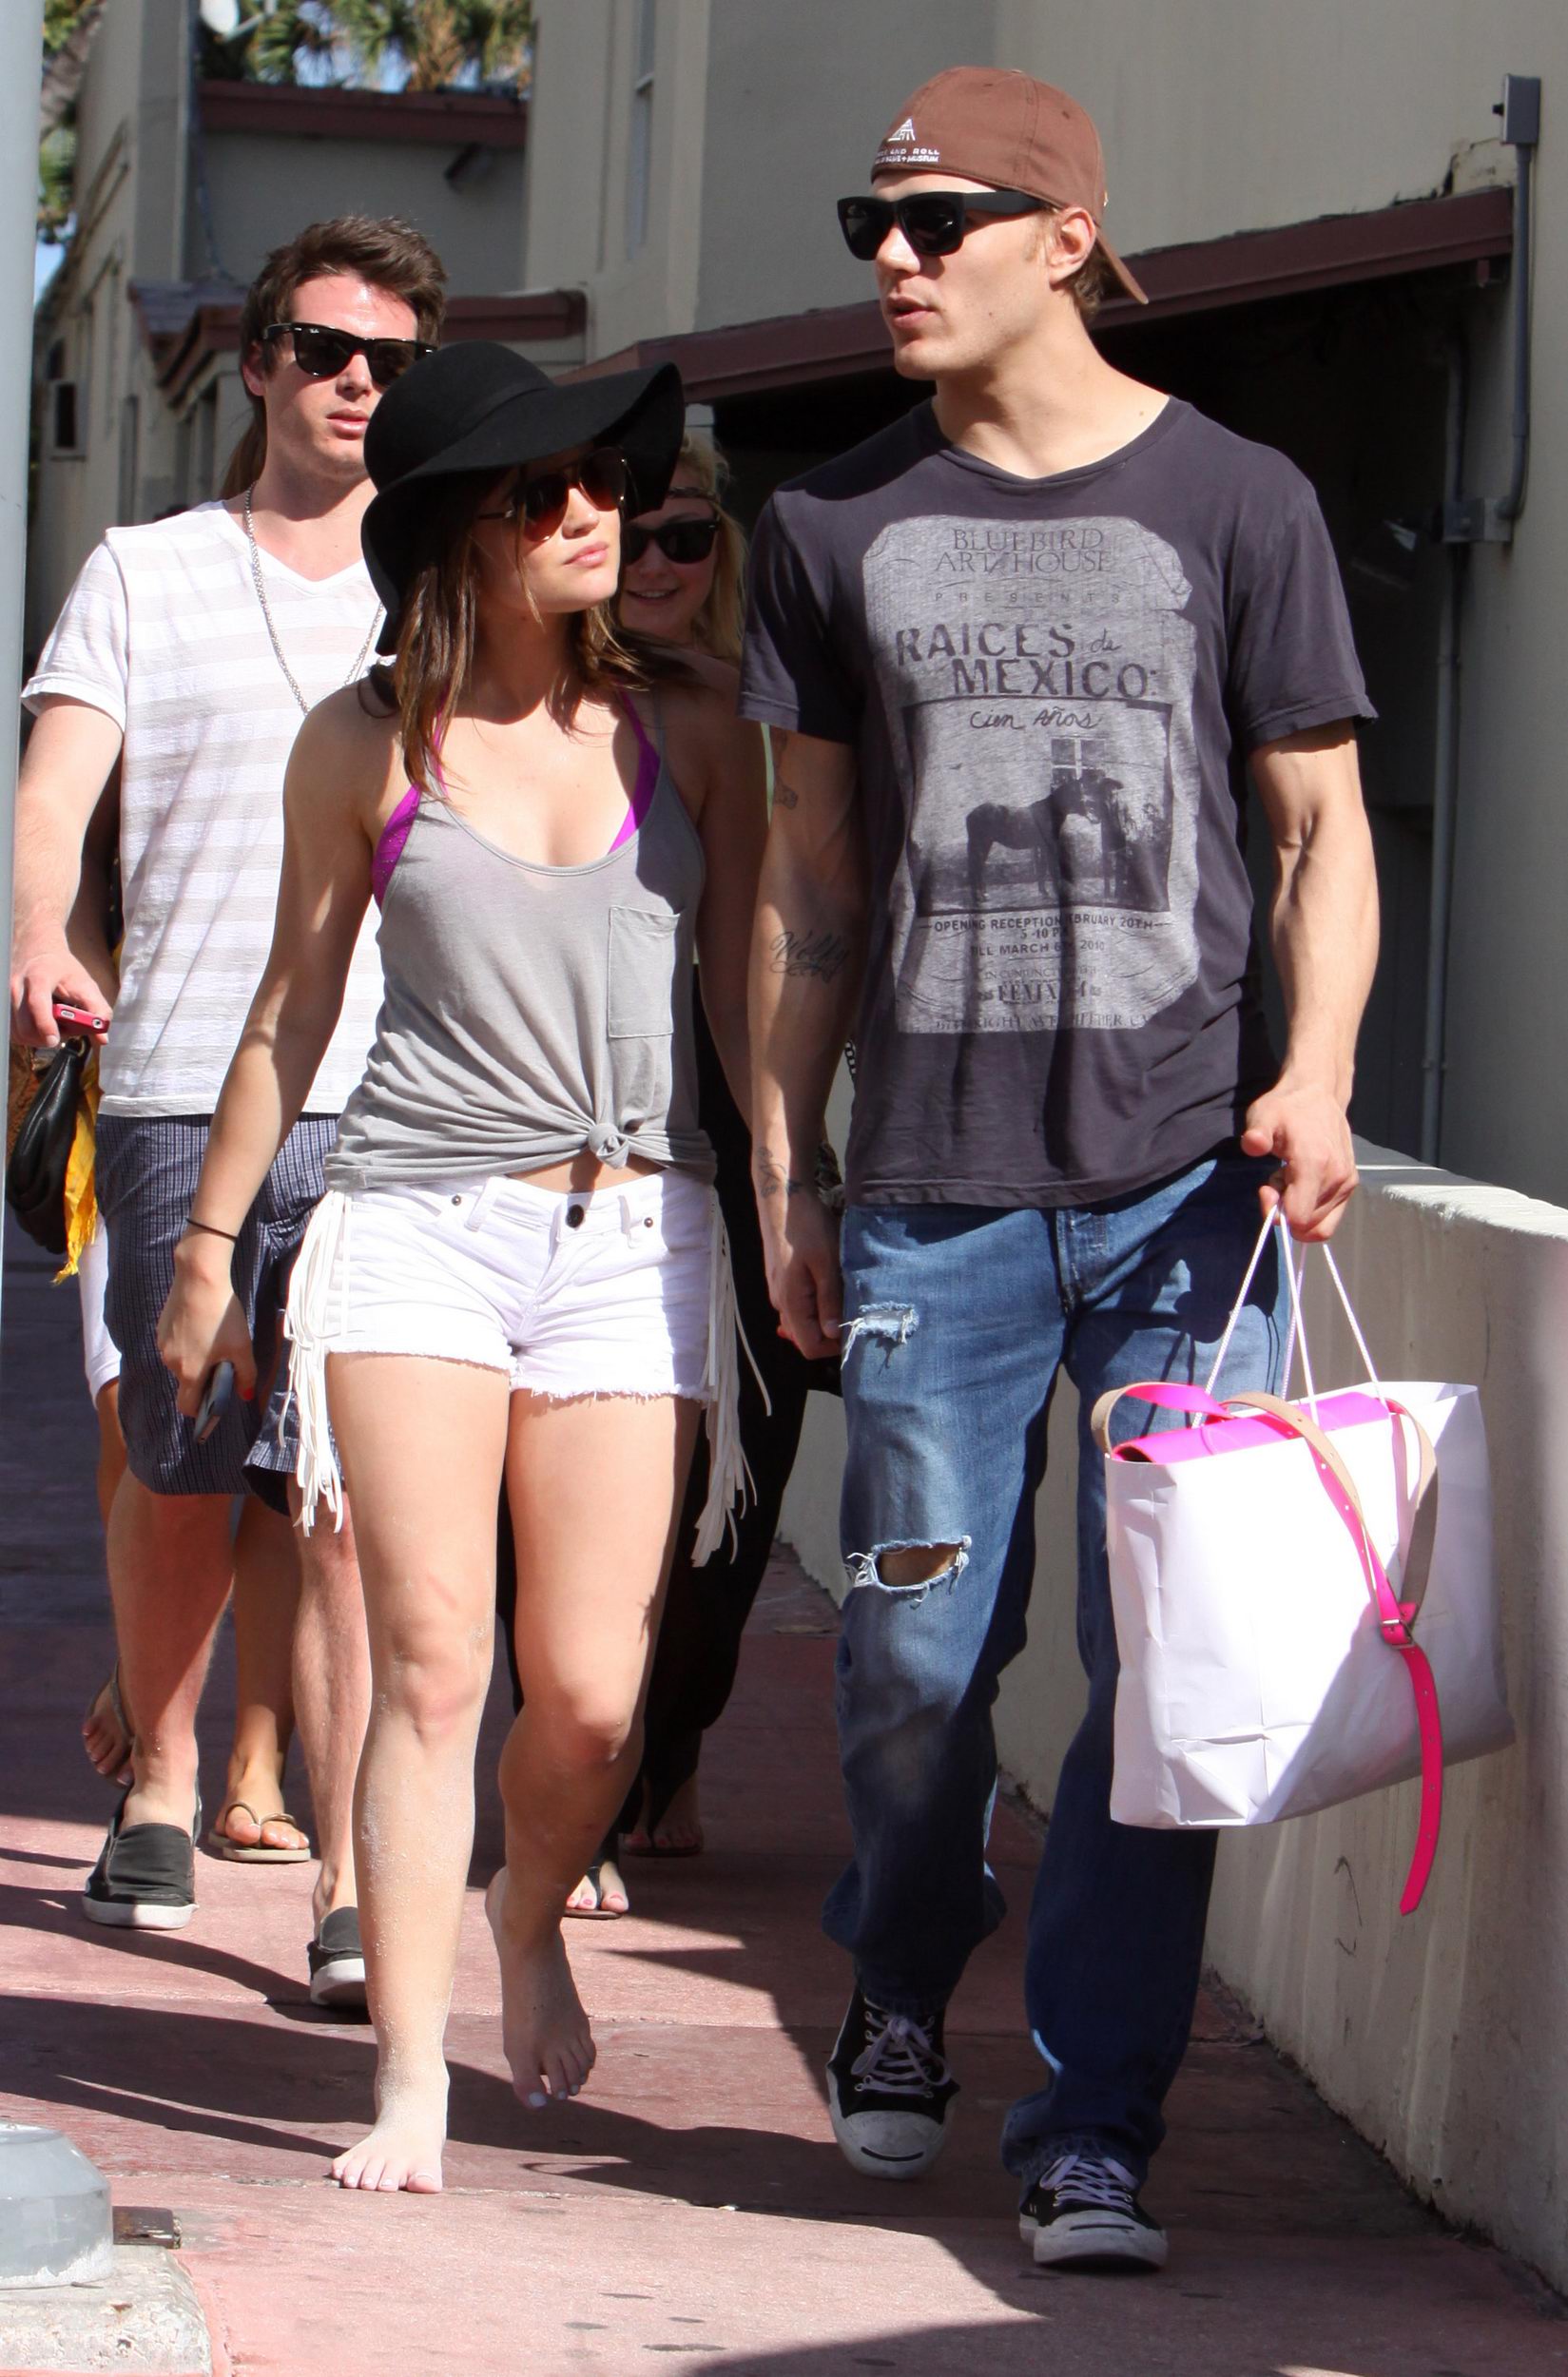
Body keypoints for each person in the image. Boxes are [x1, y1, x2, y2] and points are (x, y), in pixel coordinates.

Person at [742, 66, 1378, 2273]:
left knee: (1159, 1670)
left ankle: (1094, 2119)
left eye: (937, 221)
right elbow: (812, 882)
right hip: (930, 1189)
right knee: (916, 1659)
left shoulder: (1238, 498)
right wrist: (785, 1160)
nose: (895, 261)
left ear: (1068, 238)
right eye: (873, 224)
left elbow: (1320, 831)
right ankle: (905, 1962)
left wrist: (1321, 1068)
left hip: (1192, 1193)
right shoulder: (828, 521)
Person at [155, 341, 766, 2194]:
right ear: (459, 534)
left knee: (590, 1697)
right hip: (415, 1219)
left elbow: (757, 997)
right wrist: (205, 1250)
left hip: (635, 1231)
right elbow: (292, 1012)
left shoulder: (693, 729)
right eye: (548, 491)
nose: (597, 514)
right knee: (433, 1658)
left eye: (608, 482)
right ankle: (410, 2071)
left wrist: (800, 1190)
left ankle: (526, 1909)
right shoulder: (366, 745)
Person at [10, 215, 447, 2004]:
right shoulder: (143, 569)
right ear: (259, 361)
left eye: (390, 362)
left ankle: (350, 1859)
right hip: (183, 1069)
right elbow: (57, 787)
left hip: (396, 1094)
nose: (356, 383)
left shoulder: (443, 580)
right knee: (179, 1455)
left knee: (343, 1493)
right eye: (325, 349)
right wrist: (38, 933)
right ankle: (163, 1787)